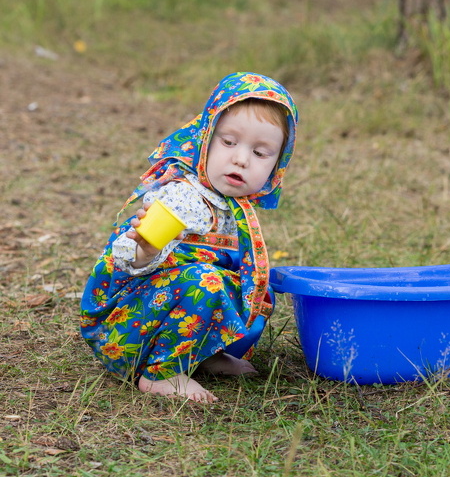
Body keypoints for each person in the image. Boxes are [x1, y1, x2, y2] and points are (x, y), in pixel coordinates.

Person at [80, 72, 298, 401]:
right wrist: (147, 250)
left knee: (253, 286)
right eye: (228, 142)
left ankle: (201, 354)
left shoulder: (233, 208)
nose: (241, 158)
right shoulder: (184, 197)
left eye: (260, 152)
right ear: (205, 139)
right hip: (126, 322)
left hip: (164, 305)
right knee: (205, 283)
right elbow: (126, 256)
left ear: (277, 166)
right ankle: (160, 373)